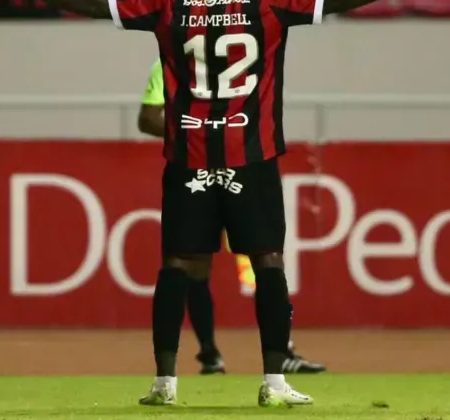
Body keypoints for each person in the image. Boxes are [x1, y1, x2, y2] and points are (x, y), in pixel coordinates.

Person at [0, 0, 450, 407]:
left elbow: (94, 4)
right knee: (268, 261)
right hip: (252, 155)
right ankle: (274, 382)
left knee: (176, 265)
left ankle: (164, 383)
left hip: (189, 157)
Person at [138, 59, 328, 375]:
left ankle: (217, 359)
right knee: (252, 258)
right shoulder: (241, 43)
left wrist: (195, 132)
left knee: (214, 261)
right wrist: (210, 134)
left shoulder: (172, 52)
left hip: (202, 168)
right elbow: (148, 119)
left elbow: (148, 118)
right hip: (238, 167)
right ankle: (217, 355)